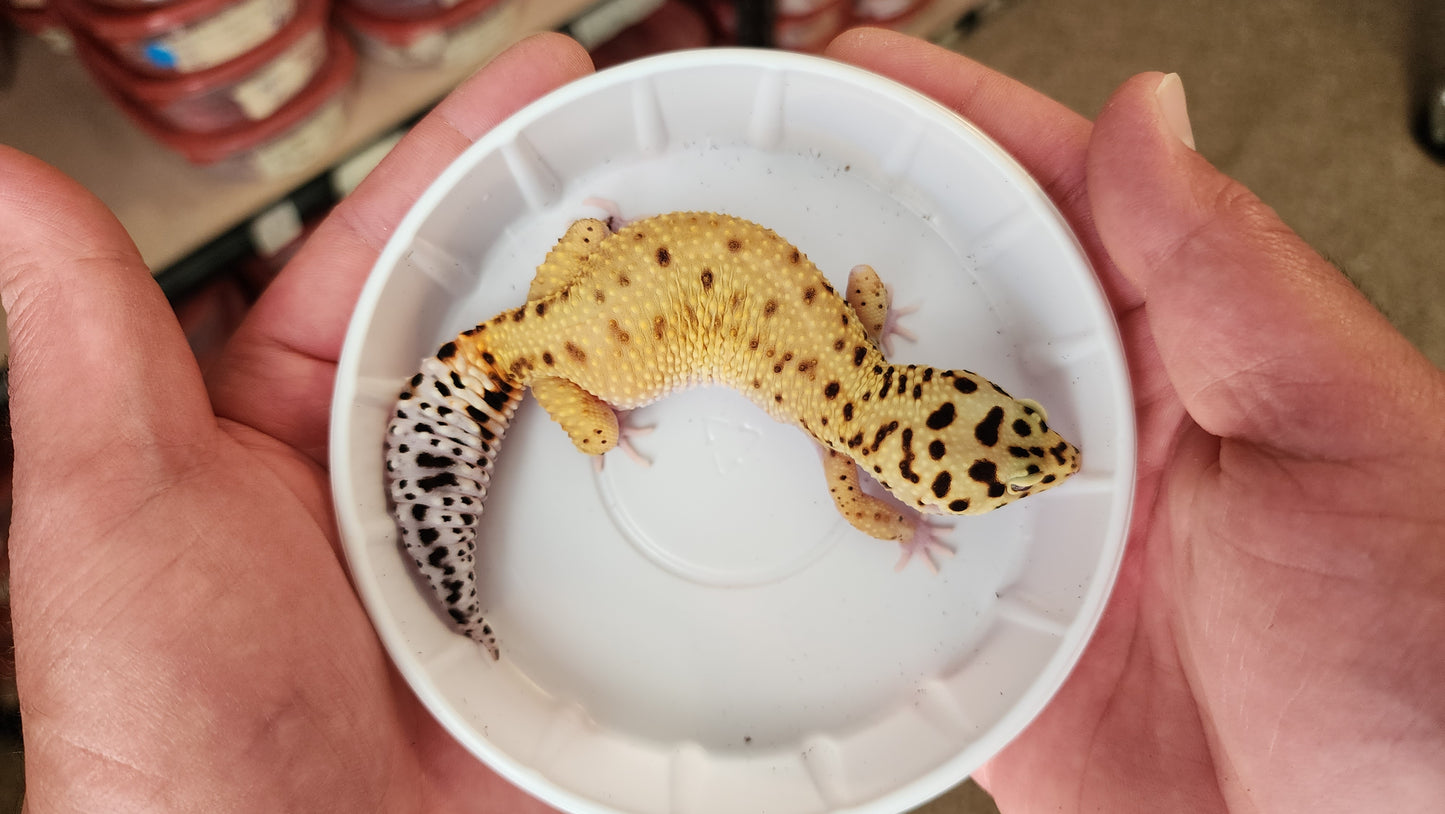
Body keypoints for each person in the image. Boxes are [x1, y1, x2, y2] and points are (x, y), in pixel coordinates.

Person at [1, 29, 1440, 814]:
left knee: (573, 376)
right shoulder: (847, 442)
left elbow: (865, 290)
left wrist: (600, 334)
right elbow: (862, 476)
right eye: (1002, 445)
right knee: (570, 398)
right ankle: (532, 404)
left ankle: (544, 379)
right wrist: (586, 414)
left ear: (928, 406)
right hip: (561, 345)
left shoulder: (854, 362)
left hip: (593, 291)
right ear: (904, 436)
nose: (1029, 447)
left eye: (1002, 445)